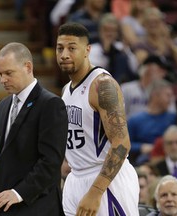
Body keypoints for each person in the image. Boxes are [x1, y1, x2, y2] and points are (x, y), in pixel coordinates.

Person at [56, 22, 139, 216]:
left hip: (105, 180)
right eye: (60, 48)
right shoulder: (66, 90)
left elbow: (121, 143)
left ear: (87, 50)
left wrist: (96, 191)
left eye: (71, 48)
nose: (64, 54)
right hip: (75, 177)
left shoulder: (102, 85)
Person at [0, 42, 68, 216]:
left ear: (28, 67)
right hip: (6, 205)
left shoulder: (51, 104)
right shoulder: (3, 105)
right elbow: (4, 160)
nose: (2, 80)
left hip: (38, 205)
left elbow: (51, 161)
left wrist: (19, 193)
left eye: (8, 73)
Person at [128, 79, 177, 165]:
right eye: (168, 95)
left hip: (170, 161)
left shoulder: (174, 118)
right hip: (143, 162)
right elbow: (125, 145)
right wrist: (141, 147)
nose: (171, 99)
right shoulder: (134, 120)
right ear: (155, 95)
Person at [121, 54, 177, 119]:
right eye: (160, 69)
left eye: (165, 71)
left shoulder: (166, 92)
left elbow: (171, 115)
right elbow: (119, 115)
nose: (164, 74)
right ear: (148, 68)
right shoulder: (126, 89)